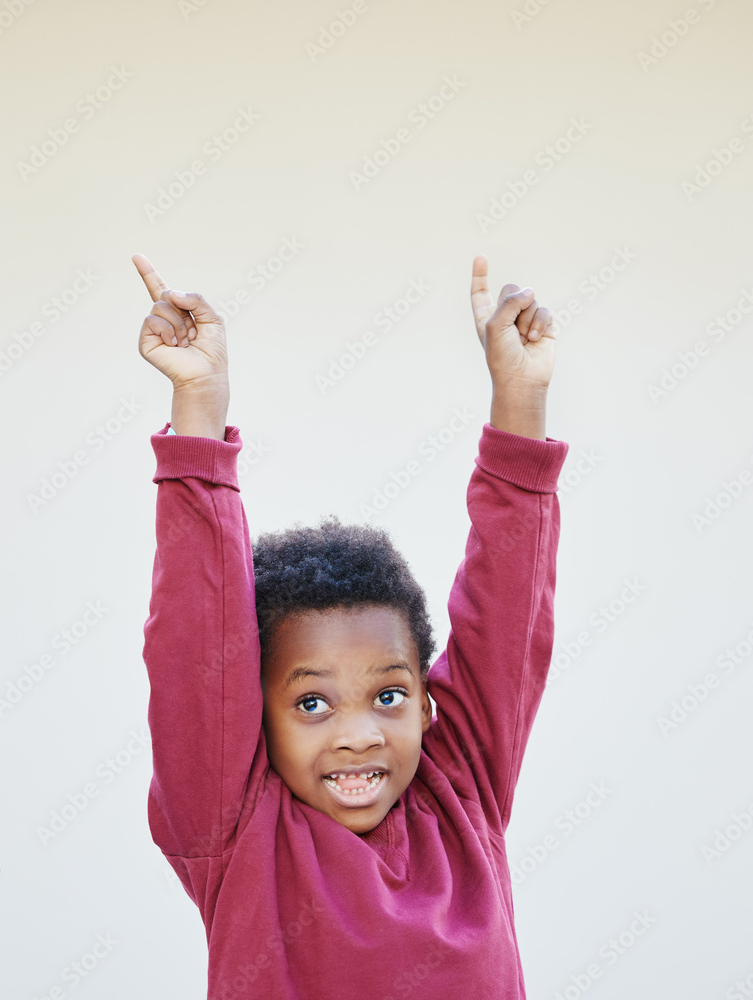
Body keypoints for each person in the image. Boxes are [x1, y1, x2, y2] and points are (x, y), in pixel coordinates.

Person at [133, 249, 569, 999]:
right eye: (311, 702)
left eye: (390, 694)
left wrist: (520, 407)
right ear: (254, 722)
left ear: (429, 704)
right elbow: (193, 642)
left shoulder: (462, 792)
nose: (360, 732)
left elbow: (506, 620)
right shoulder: (236, 834)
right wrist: (199, 412)